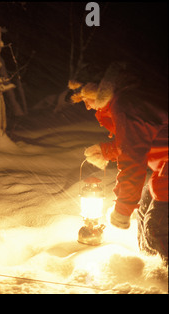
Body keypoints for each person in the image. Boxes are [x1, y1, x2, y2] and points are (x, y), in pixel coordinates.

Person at [68, 62, 168, 264]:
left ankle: (161, 277)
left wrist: (122, 209)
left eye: (85, 98)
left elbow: (133, 160)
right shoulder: (130, 98)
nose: (86, 105)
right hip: (164, 165)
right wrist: (107, 151)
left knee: (157, 228)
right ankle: (149, 267)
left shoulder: (126, 105)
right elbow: (139, 140)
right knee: (145, 205)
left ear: (98, 90)